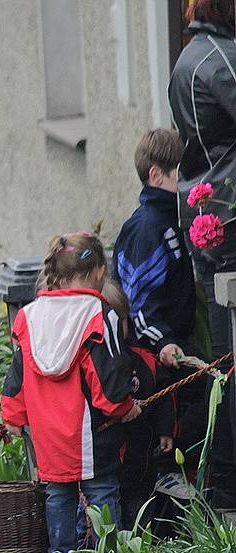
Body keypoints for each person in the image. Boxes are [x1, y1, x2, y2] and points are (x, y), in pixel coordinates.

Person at [1, 232, 141, 553]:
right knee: (102, 489)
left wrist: (13, 416)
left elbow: (17, 374)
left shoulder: (30, 315)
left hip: (48, 429)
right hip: (90, 430)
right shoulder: (98, 313)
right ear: (98, 272)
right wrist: (124, 407)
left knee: (58, 495)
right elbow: (106, 374)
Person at [168, 0, 236, 506]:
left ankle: (226, 485)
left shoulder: (189, 56)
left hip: (206, 212)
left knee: (225, 355)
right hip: (227, 212)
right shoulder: (221, 58)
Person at [112, 129, 208, 485]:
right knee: (190, 412)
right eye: (179, 175)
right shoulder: (148, 228)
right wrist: (164, 342)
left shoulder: (170, 219)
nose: (186, 184)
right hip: (155, 354)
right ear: (156, 175)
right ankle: (165, 477)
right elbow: (136, 305)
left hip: (177, 342)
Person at [102, 280, 174, 531]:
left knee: (139, 502)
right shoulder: (93, 361)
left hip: (140, 450)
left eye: (120, 321)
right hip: (106, 454)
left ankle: (138, 543)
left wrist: (166, 429)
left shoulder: (143, 360)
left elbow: (164, 393)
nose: (116, 328)